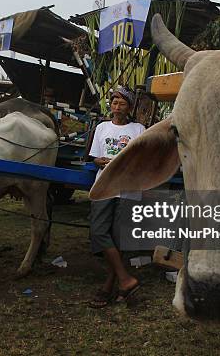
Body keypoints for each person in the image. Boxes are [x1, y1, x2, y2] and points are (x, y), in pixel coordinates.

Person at [88, 86, 145, 308]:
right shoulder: (102, 128)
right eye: (114, 102)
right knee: (98, 230)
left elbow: (142, 158)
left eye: (122, 103)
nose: (116, 106)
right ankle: (125, 279)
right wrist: (99, 162)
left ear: (129, 107)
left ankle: (111, 285)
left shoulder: (139, 129)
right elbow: (94, 157)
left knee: (120, 237)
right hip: (105, 183)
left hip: (128, 185)